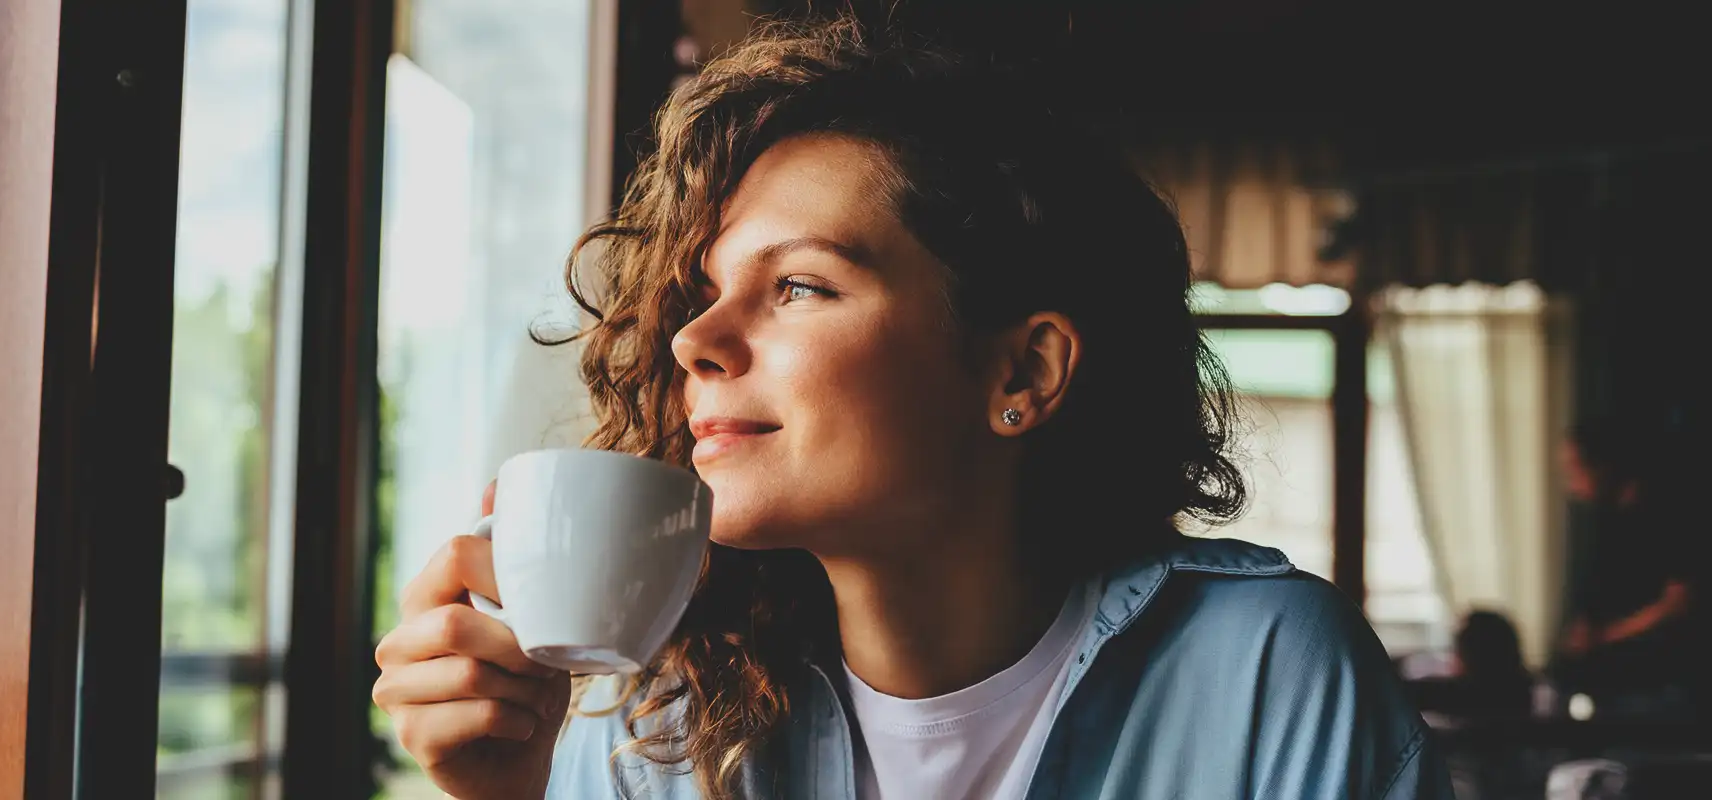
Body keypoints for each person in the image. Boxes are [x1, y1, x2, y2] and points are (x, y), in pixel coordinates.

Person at [373, 16, 1451, 800]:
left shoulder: (1269, 670)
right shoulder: (660, 727)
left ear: (1021, 374)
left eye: (797, 284)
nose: (694, 339)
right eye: (705, 294)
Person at [1557, 416, 1698, 715]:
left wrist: (1606, 635)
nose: (1572, 485)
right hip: (1618, 685)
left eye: (1576, 469)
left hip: (1659, 688)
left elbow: (1680, 602)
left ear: (1605, 465)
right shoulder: (1606, 522)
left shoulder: (1667, 515)